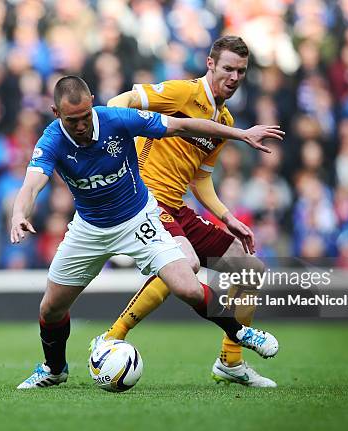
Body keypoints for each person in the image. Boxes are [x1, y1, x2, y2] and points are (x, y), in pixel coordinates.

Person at [11, 75, 284, 389]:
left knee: (189, 287)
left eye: (86, 116)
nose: (82, 125)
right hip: (89, 229)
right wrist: (19, 213)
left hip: (138, 219)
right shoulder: (51, 140)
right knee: (51, 307)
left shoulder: (116, 119)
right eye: (73, 120)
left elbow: (182, 126)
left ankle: (239, 333)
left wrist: (240, 134)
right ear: (56, 113)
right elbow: (31, 185)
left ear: (93, 104)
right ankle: (54, 369)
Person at [95, 36, 278, 387]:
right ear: (210, 65)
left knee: (249, 269)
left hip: (176, 206)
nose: (234, 76)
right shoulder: (182, 94)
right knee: (187, 263)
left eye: (241, 71)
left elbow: (201, 180)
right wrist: (108, 128)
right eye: (227, 68)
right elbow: (128, 99)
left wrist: (228, 218)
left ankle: (230, 361)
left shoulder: (223, 119)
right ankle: (112, 337)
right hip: (145, 200)